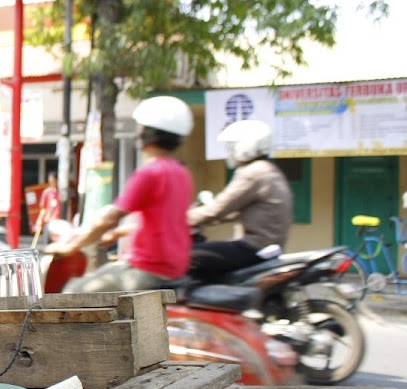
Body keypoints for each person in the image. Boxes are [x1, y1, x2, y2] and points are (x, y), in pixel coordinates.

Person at [45, 96, 195, 292]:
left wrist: (71, 247)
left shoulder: (150, 172)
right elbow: (163, 219)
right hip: (174, 266)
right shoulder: (181, 173)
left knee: (72, 292)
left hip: (146, 268)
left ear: (147, 134)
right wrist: (118, 233)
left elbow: (109, 218)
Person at [187, 119, 293, 282]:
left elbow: (217, 209)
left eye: (232, 146)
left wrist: (182, 218)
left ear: (245, 146)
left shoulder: (252, 173)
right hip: (267, 246)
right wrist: (204, 216)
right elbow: (233, 211)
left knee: (188, 257)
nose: (230, 152)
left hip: (253, 246)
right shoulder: (269, 171)